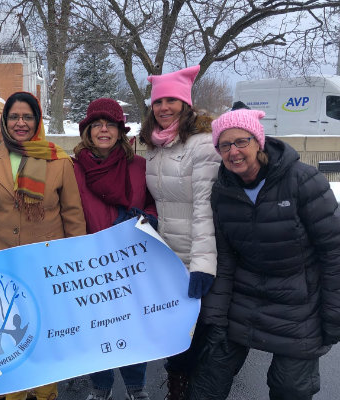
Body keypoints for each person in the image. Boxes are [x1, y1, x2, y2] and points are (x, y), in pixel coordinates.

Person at [187, 109, 340, 400]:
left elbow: (333, 252)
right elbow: (227, 259)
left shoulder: (303, 180)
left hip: (298, 299)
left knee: (290, 387)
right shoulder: (222, 190)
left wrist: (333, 315)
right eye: (224, 145)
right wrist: (215, 318)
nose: (234, 152)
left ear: (258, 140)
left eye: (241, 142)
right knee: (208, 376)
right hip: (245, 294)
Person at [0, 91, 87, 400]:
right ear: (4, 121)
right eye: (14, 116)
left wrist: (78, 262)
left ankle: (45, 394)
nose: (20, 123)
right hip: (0, 267)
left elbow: (72, 215)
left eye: (27, 116)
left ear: (37, 120)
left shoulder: (58, 160)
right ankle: (14, 395)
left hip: (46, 266)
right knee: (7, 342)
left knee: (45, 339)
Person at [138, 65, 221, 400]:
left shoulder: (203, 145)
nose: (164, 107)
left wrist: (202, 264)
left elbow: (205, 208)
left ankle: (193, 390)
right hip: (167, 256)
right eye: (159, 101)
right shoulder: (155, 146)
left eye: (172, 100)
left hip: (196, 254)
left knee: (199, 335)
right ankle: (177, 385)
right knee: (176, 331)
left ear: (185, 104)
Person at [73, 98, 157, 400]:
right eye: (97, 125)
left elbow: (152, 202)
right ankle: (101, 388)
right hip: (92, 262)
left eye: (110, 124)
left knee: (133, 326)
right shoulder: (73, 169)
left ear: (120, 130)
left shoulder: (139, 166)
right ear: (88, 130)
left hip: (131, 259)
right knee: (98, 327)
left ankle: (136, 387)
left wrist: (148, 219)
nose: (104, 130)